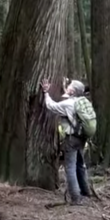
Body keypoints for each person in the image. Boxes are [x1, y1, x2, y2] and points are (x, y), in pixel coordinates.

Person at [40, 77, 94, 206]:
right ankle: (85, 192)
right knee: (80, 165)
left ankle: (76, 198)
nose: (68, 87)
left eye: (70, 86)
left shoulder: (67, 104)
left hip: (71, 139)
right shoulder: (82, 101)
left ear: (73, 91)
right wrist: (64, 85)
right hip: (82, 138)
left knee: (70, 168)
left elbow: (51, 106)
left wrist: (46, 92)